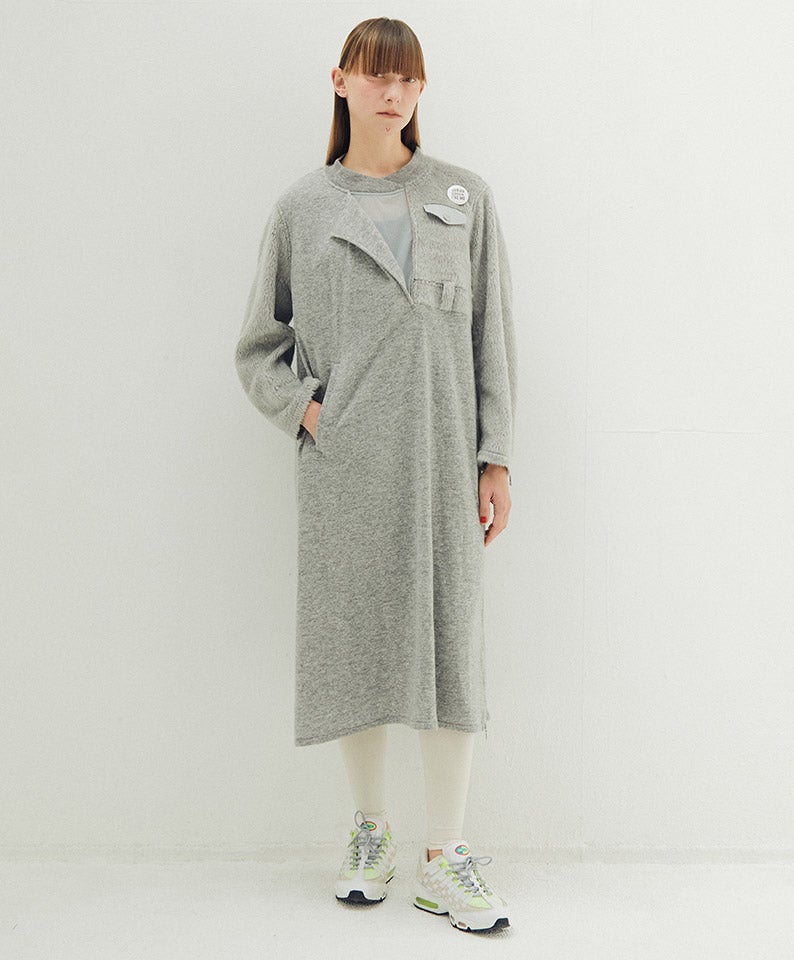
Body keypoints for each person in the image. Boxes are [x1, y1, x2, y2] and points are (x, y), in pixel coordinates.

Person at [234, 17, 517, 933]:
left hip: (445, 461)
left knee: (450, 642)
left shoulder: (464, 197)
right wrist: (311, 411)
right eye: (375, 75)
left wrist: (497, 455)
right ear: (342, 81)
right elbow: (258, 346)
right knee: (354, 639)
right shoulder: (303, 208)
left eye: (407, 78)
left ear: (421, 90)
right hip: (347, 466)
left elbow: (492, 336)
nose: (391, 92)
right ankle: (370, 832)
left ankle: (445, 856)